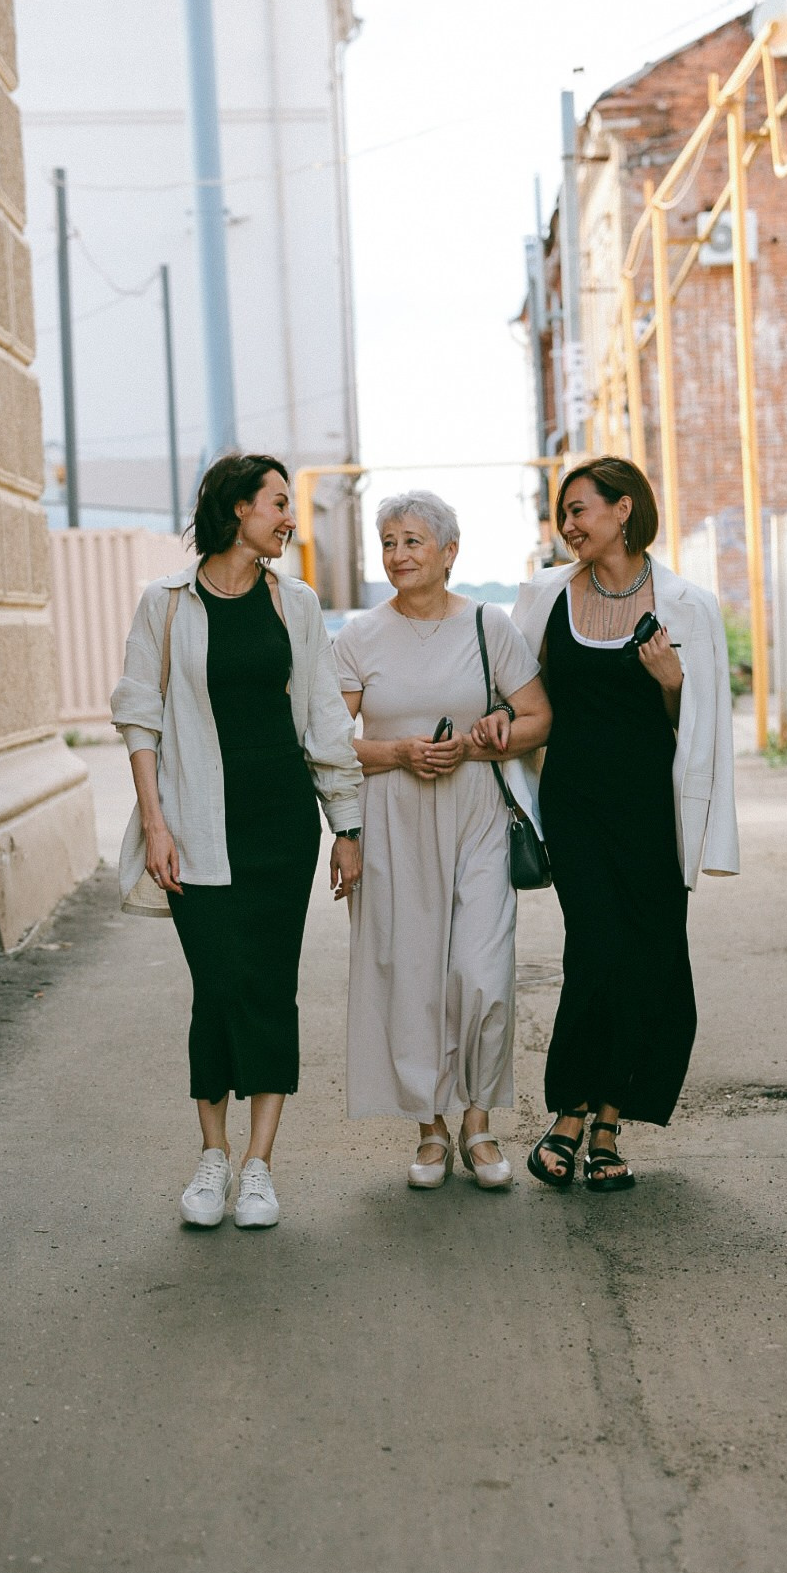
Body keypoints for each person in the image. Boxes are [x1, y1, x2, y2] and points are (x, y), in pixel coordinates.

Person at [110, 453, 363, 1230]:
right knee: (218, 988)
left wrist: (345, 825)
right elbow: (138, 716)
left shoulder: (297, 604)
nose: (291, 517)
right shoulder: (168, 603)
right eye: (279, 503)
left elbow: (325, 716)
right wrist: (155, 823)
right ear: (237, 511)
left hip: (279, 827)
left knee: (268, 989)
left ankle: (259, 1166)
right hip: (192, 829)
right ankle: (211, 1156)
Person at [501, 456, 738, 1192]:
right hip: (574, 802)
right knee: (597, 950)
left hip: (650, 808)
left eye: (579, 509)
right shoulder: (543, 597)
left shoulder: (687, 605)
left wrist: (672, 686)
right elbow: (516, 693)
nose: (567, 524)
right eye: (562, 513)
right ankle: (573, 1113)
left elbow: (701, 730)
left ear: (624, 509)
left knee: (653, 959)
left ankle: (608, 1121)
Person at [333, 490, 551, 1189]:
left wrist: (489, 739)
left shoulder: (490, 626)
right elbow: (326, 743)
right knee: (411, 976)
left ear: (449, 553)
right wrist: (397, 752)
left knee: (481, 975)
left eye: (413, 542)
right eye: (389, 543)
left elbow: (539, 719)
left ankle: (478, 1123)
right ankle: (430, 1129)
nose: (398, 555)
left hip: (478, 815)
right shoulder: (358, 637)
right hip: (393, 819)